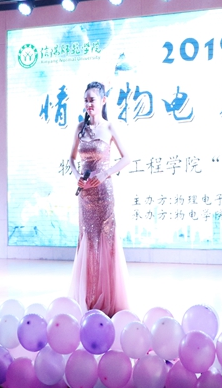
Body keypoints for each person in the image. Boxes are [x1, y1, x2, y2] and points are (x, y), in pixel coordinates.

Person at [69, 81, 132, 317]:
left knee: (106, 241)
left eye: (92, 100)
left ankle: (108, 299)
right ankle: (89, 298)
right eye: (85, 100)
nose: (88, 104)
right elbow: (71, 159)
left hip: (104, 193)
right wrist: (77, 176)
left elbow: (127, 158)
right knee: (88, 241)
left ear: (103, 101)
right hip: (85, 194)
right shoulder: (80, 128)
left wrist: (106, 173)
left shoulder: (110, 127)